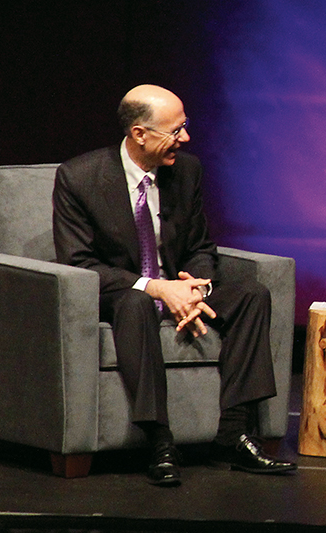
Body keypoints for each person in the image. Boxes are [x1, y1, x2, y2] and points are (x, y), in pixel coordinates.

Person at [52, 84, 297, 486]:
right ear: (139, 134)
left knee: (252, 295)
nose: (185, 138)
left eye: (185, 127)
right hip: (121, 290)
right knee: (136, 305)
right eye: (175, 130)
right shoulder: (80, 178)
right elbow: (79, 262)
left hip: (180, 285)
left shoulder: (187, 171)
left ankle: (234, 434)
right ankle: (159, 441)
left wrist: (195, 287)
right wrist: (155, 287)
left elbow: (200, 245)